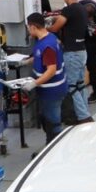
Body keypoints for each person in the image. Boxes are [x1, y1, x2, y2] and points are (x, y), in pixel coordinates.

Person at [50, 0, 94, 126]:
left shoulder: (68, 10)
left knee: (71, 86)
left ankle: (83, 116)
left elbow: (56, 27)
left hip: (72, 53)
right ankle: (85, 112)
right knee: (80, 85)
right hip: (81, 52)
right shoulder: (82, 8)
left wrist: (46, 29)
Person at [26, 12, 66, 144]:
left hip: (52, 91)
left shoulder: (47, 45)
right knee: (47, 119)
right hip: (48, 91)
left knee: (53, 124)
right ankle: (50, 145)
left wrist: (34, 83)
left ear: (33, 27)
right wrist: (27, 61)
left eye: (28, 27)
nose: (28, 30)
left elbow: (51, 70)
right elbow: (42, 57)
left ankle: (55, 148)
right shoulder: (49, 38)